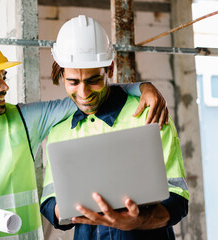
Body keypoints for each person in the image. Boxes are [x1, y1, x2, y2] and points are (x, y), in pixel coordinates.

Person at [0, 35, 168, 240]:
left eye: (3, 77)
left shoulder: (25, 120)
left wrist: (143, 87)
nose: (4, 86)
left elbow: (85, 94)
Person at [40, 15, 189, 240]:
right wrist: (73, 210)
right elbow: (50, 202)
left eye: (93, 80)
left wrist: (138, 221)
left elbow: (178, 199)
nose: (83, 93)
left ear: (109, 69)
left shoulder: (149, 113)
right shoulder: (60, 130)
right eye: (73, 82)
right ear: (61, 74)